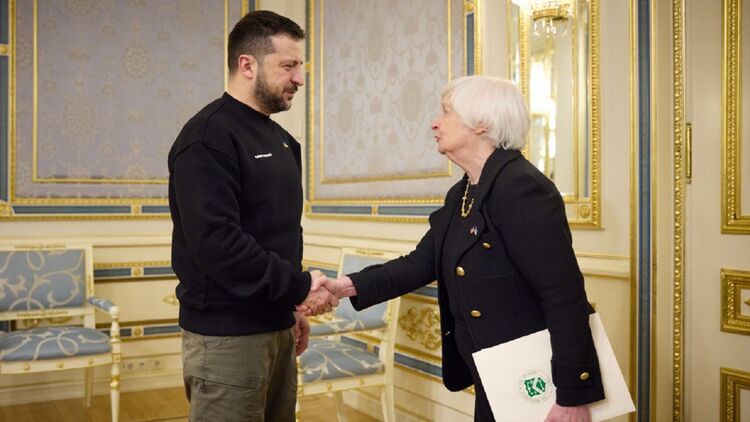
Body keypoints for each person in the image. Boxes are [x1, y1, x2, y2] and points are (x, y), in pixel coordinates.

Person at [314, 76, 604, 421]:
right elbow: (419, 264)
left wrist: (571, 396)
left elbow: (563, 294)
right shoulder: (463, 192)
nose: (435, 123)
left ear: (481, 123)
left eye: (446, 112)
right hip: (492, 371)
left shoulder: (522, 187)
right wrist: (343, 286)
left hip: (535, 378)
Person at [168, 10, 338, 422]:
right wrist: (300, 287)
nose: (299, 78)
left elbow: (282, 234)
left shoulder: (284, 141)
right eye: (288, 66)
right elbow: (218, 244)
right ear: (247, 65)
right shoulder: (207, 137)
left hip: (278, 326)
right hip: (226, 337)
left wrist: (291, 307)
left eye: (300, 66)